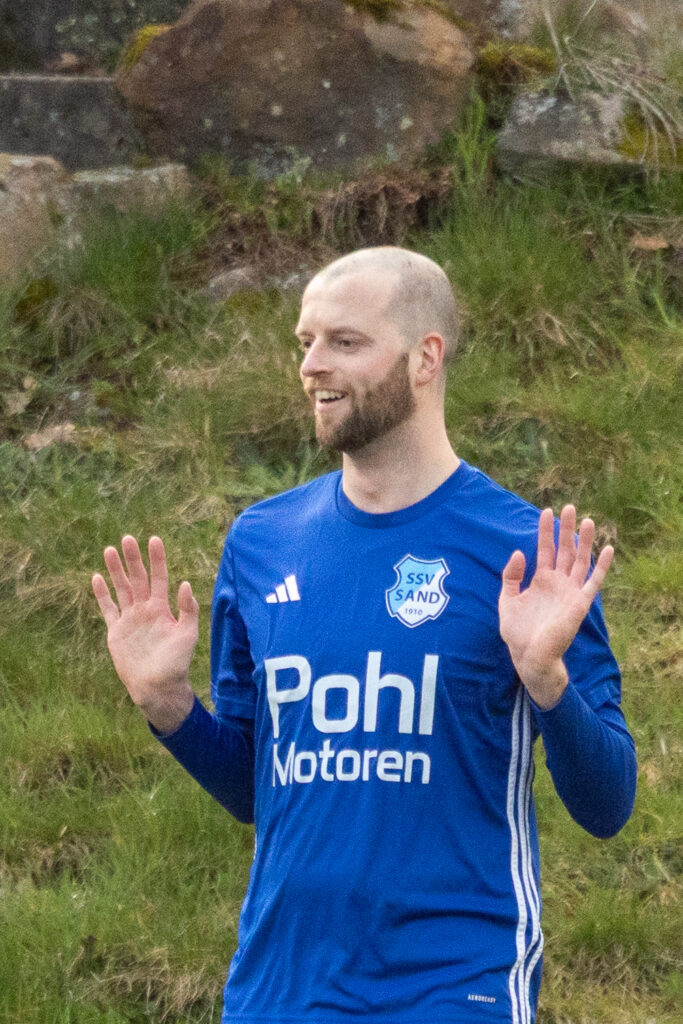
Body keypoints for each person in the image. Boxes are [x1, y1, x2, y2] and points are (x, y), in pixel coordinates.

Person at [92, 247, 636, 1024]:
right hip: (278, 990)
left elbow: (607, 805)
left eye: (344, 342)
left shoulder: (527, 554)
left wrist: (546, 681)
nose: (311, 365)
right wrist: (168, 706)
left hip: (452, 988)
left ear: (425, 358)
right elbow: (257, 792)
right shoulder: (261, 542)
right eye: (305, 341)